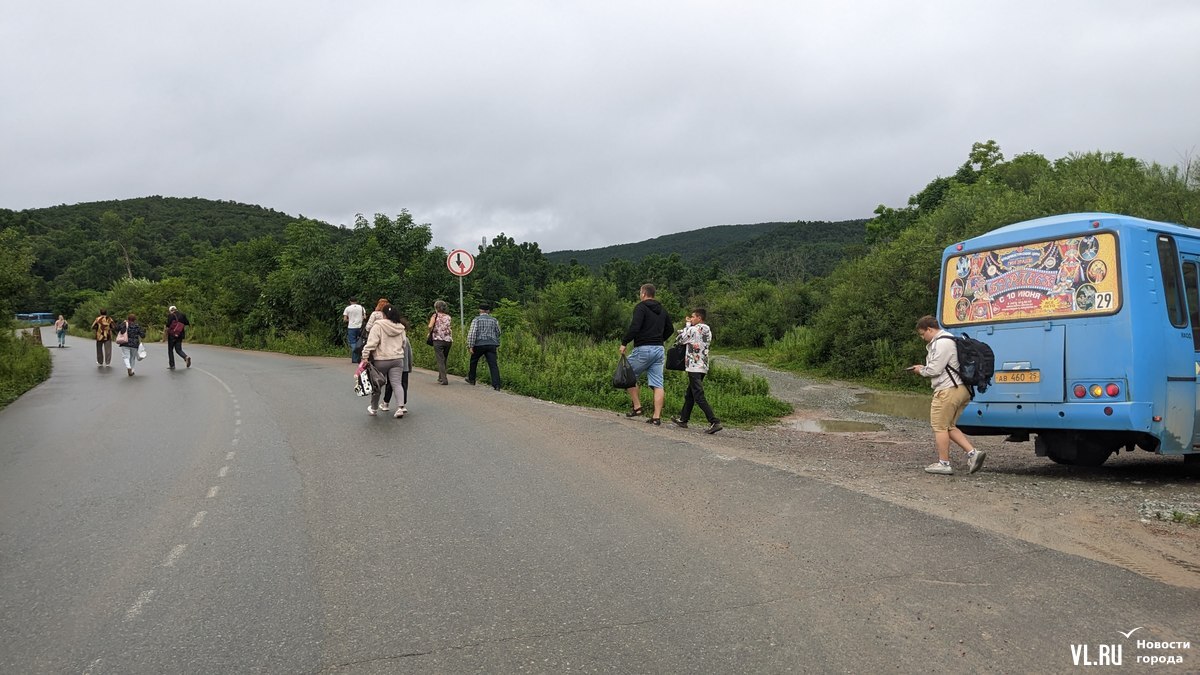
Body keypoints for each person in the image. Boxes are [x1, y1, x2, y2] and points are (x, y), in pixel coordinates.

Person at [908, 315, 986, 475]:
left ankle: (944, 463)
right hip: (961, 389)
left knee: (939, 427)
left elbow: (934, 370)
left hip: (948, 390)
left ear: (930, 329)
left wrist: (920, 370)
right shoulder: (951, 340)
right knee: (949, 426)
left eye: (923, 334)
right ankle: (973, 454)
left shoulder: (941, 342)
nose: (923, 338)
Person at [619, 283, 674, 425]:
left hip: (643, 348)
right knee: (658, 384)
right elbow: (670, 329)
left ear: (643, 293)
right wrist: (660, 339)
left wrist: (624, 342)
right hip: (658, 350)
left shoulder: (641, 307)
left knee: (627, 374)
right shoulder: (662, 309)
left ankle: (637, 407)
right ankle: (656, 417)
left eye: (640, 292)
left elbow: (635, 327)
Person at [670, 308, 723, 434]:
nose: (691, 318)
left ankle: (714, 421)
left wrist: (687, 325)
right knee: (690, 394)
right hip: (703, 365)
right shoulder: (708, 331)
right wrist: (688, 326)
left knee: (698, 395)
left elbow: (680, 339)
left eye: (693, 317)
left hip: (693, 366)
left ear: (699, 318)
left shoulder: (693, 329)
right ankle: (683, 419)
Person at [360, 304, 408, 418]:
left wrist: (365, 356)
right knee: (397, 383)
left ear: (383, 314)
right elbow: (404, 343)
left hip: (381, 360)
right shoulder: (400, 327)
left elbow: (371, 343)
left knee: (377, 384)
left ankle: (374, 408)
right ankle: (400, 408)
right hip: (398, 359)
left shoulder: (378, 326)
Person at [365, 299, 394, 410]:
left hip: (377, 348)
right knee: (393, 380)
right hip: (391, 350)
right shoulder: (389, 316)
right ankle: (393, 403)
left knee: (377, 376)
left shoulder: (375, 314)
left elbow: (368, 327)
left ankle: (374, 406)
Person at [465, 303, 502, 390]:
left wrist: (470, 345)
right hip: (491, 344)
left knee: (474, 360)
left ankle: (472, 379)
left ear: (480, 310)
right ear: (488, 311)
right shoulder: (494, 320)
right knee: (493, 364)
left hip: (479, 344)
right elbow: (498, 332)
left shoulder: (476, 320)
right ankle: (496, 385)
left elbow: (472, 333)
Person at [427, 300, 454, 385]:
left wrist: (429, 332)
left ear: (436, 308)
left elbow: (430, 326)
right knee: (444, 359)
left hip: (438, 339)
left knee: (440, 360)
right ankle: (440, 377)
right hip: (448, 340)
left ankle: (444, 379)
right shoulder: (448, 317)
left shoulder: (435, 315)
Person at [165, 305, 192, 370]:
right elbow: (187, 323)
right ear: (176, 309)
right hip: (180, 334)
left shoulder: (170, 316)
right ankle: (186, 357)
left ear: (171, 310)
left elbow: (168, 325)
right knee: (178, 349)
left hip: (172, 335)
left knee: (170, 350)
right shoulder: (182, 315)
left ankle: (172, 365)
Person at [343, 297, 366, 364]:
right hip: (360, 327)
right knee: (360, 341)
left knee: (353, 342)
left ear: (350, 301)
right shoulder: (361, 307)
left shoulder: (347, 308)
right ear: (357, 301)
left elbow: (344, 319)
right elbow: (364, 317)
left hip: (351, 327)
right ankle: (357, 358)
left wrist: (349, 320)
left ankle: (355, 359)